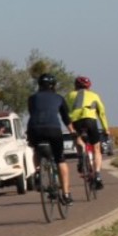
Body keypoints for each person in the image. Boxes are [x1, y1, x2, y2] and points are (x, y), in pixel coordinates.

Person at [27, 73, 74, 204]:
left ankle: (37, 171)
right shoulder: (59, 98)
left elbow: (33, 113)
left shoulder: (32, 98)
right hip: (53, 129)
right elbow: (66, 118)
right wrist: (73, 132)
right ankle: (66, 195)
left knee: (36, 150)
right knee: (60, 160)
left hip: (34, 129)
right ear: (53, 85)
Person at [65, 76, 110, 189]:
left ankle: (81, 157)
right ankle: (98, 174)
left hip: (76, 121)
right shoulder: (94, 95)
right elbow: (101, 113)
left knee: (78, 139)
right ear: (89, 86)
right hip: (90, 121)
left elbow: (65, 111)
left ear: (75, 86)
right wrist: (106, 129)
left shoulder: (70, 95)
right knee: (96, 149)